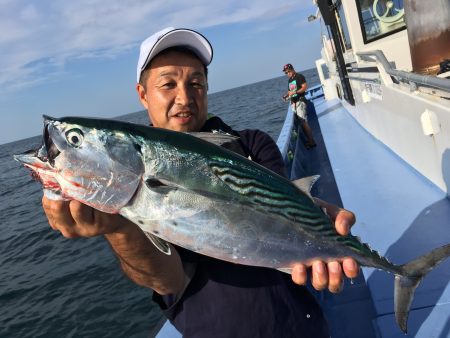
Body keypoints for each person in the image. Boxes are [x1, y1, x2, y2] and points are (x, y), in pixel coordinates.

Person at [42, 27, 359, 337]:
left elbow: (279, 210)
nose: (185, 97)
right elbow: (167, 282)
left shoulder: (251, 144)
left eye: (196, 83)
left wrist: (313, 215)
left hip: (301, 327)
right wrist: (117, 228)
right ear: (142, 94)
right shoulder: (129, 185)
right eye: (168, 84)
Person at [283, 63, 317, 149]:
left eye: (289, 71)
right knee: (302, 123)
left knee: (304, 122)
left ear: (292, 69)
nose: (288, 73)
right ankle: (309, 140)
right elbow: (290, 91)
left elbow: (304, 87)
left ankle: (312, 142)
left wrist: (295, 92)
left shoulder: (299, 76)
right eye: (286, 72)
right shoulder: (290, 80)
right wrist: (286, 96)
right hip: (294, 103)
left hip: (300, 102)